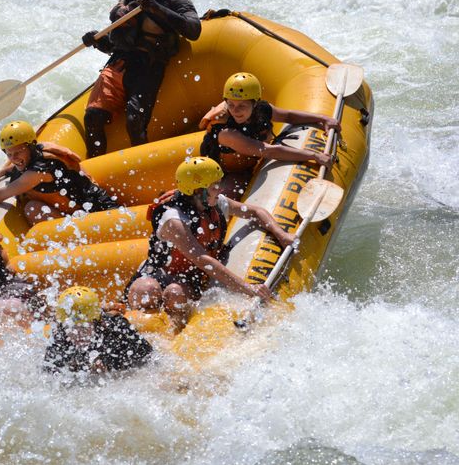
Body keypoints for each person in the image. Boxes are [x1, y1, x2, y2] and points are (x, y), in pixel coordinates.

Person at [125, 157, 296, 331]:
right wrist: (248, 288)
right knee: (144, 290)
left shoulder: (217, 203)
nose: (220, 189)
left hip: (188, 278)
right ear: (198, 191)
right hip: (159, 272)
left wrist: (281, 234)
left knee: (174, 292)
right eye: (214, 186)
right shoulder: (173, 220)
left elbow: (255, 211)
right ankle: (148, 333)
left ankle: (176, 332)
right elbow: (202, 259)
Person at [81, 0, 202, 157]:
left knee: (134, 120)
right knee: (92, 118)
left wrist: (158, 9)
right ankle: (91, 169)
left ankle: (142, 164)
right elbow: (113, 44)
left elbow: (194, 30)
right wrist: (96, 41)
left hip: (148, 68)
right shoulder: (129, 0)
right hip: (119, 65)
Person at [199, 72, 340, 198]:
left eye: (242, 105)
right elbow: (269, 151)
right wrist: (314, 155)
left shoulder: (262, 109)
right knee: (226, 195)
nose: (235, 111)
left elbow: (289, 116)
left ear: (254, 104)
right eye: (231, 105)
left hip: (246, 164)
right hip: (225, 173)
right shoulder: (227, 133)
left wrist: (323, 119)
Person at [0, 120, 118, 225]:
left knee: (32, 209)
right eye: (9, 154)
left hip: (100, 210)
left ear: (30, 147)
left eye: (18, 152)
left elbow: (0, 194)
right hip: (79, 211)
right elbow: (16, 167)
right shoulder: (34, 154)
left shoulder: (40, 170)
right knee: (33, 208)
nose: (14, 158)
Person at [43, 286, 153, 374]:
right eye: (71, 328)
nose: (79, 334)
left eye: (84, 327)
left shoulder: (116, 328)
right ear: (63, 326)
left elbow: (148, 356)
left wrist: (111, 364)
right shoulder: (60, 338)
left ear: (97, 323)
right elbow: (48, 373)